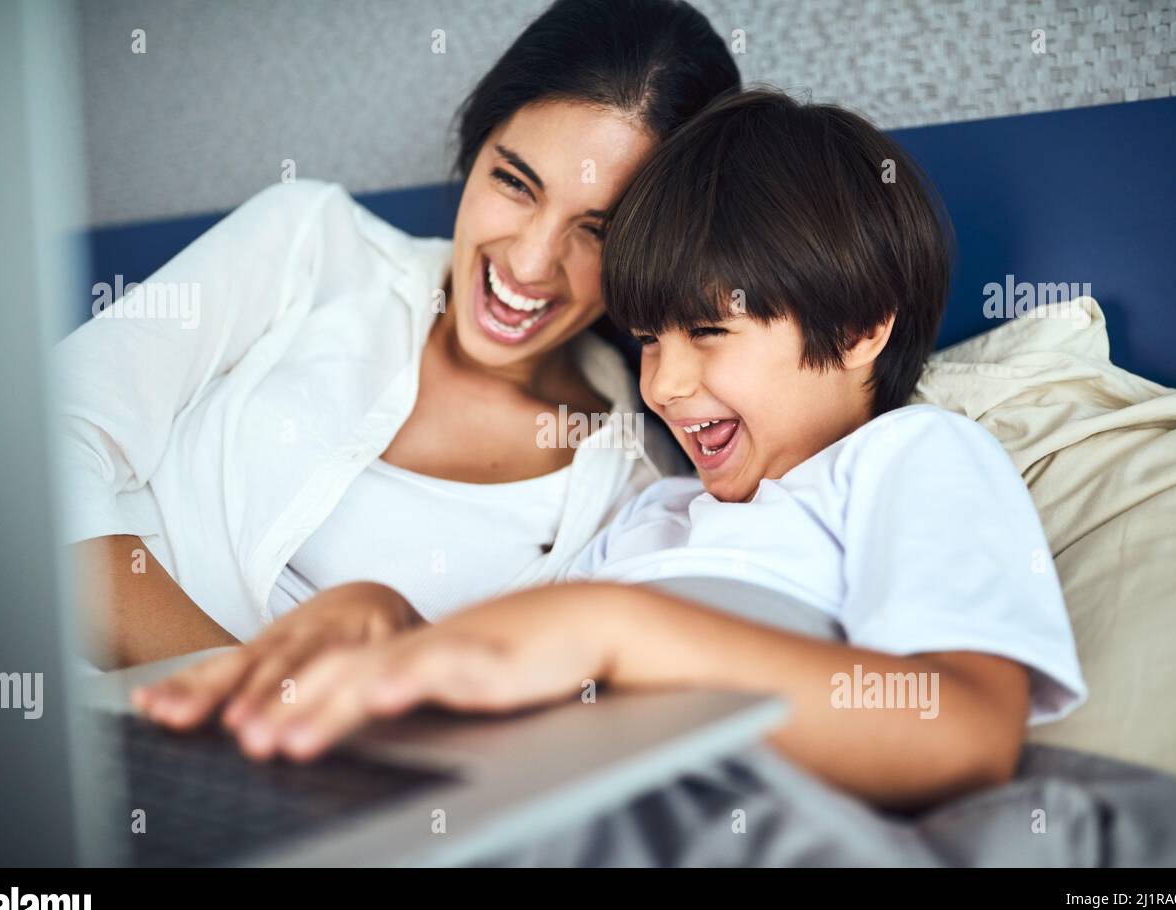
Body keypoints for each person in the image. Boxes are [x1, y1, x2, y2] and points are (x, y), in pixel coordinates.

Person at [137, 88, 1087, 809]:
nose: (664, 384)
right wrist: (382, 618)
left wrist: (617, 632)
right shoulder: (652, 513)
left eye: (710, 332)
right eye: (647, 339)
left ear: (864, 327)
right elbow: (521, 693)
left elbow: (962, 726)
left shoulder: (915, 456)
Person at [55, 0, 739, 668]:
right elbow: (48, 438)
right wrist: (243, 709)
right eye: (515, 182)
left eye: (598, 230)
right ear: (476, 150)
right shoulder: (310, 243)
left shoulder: (635, 483)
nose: (531, 262)